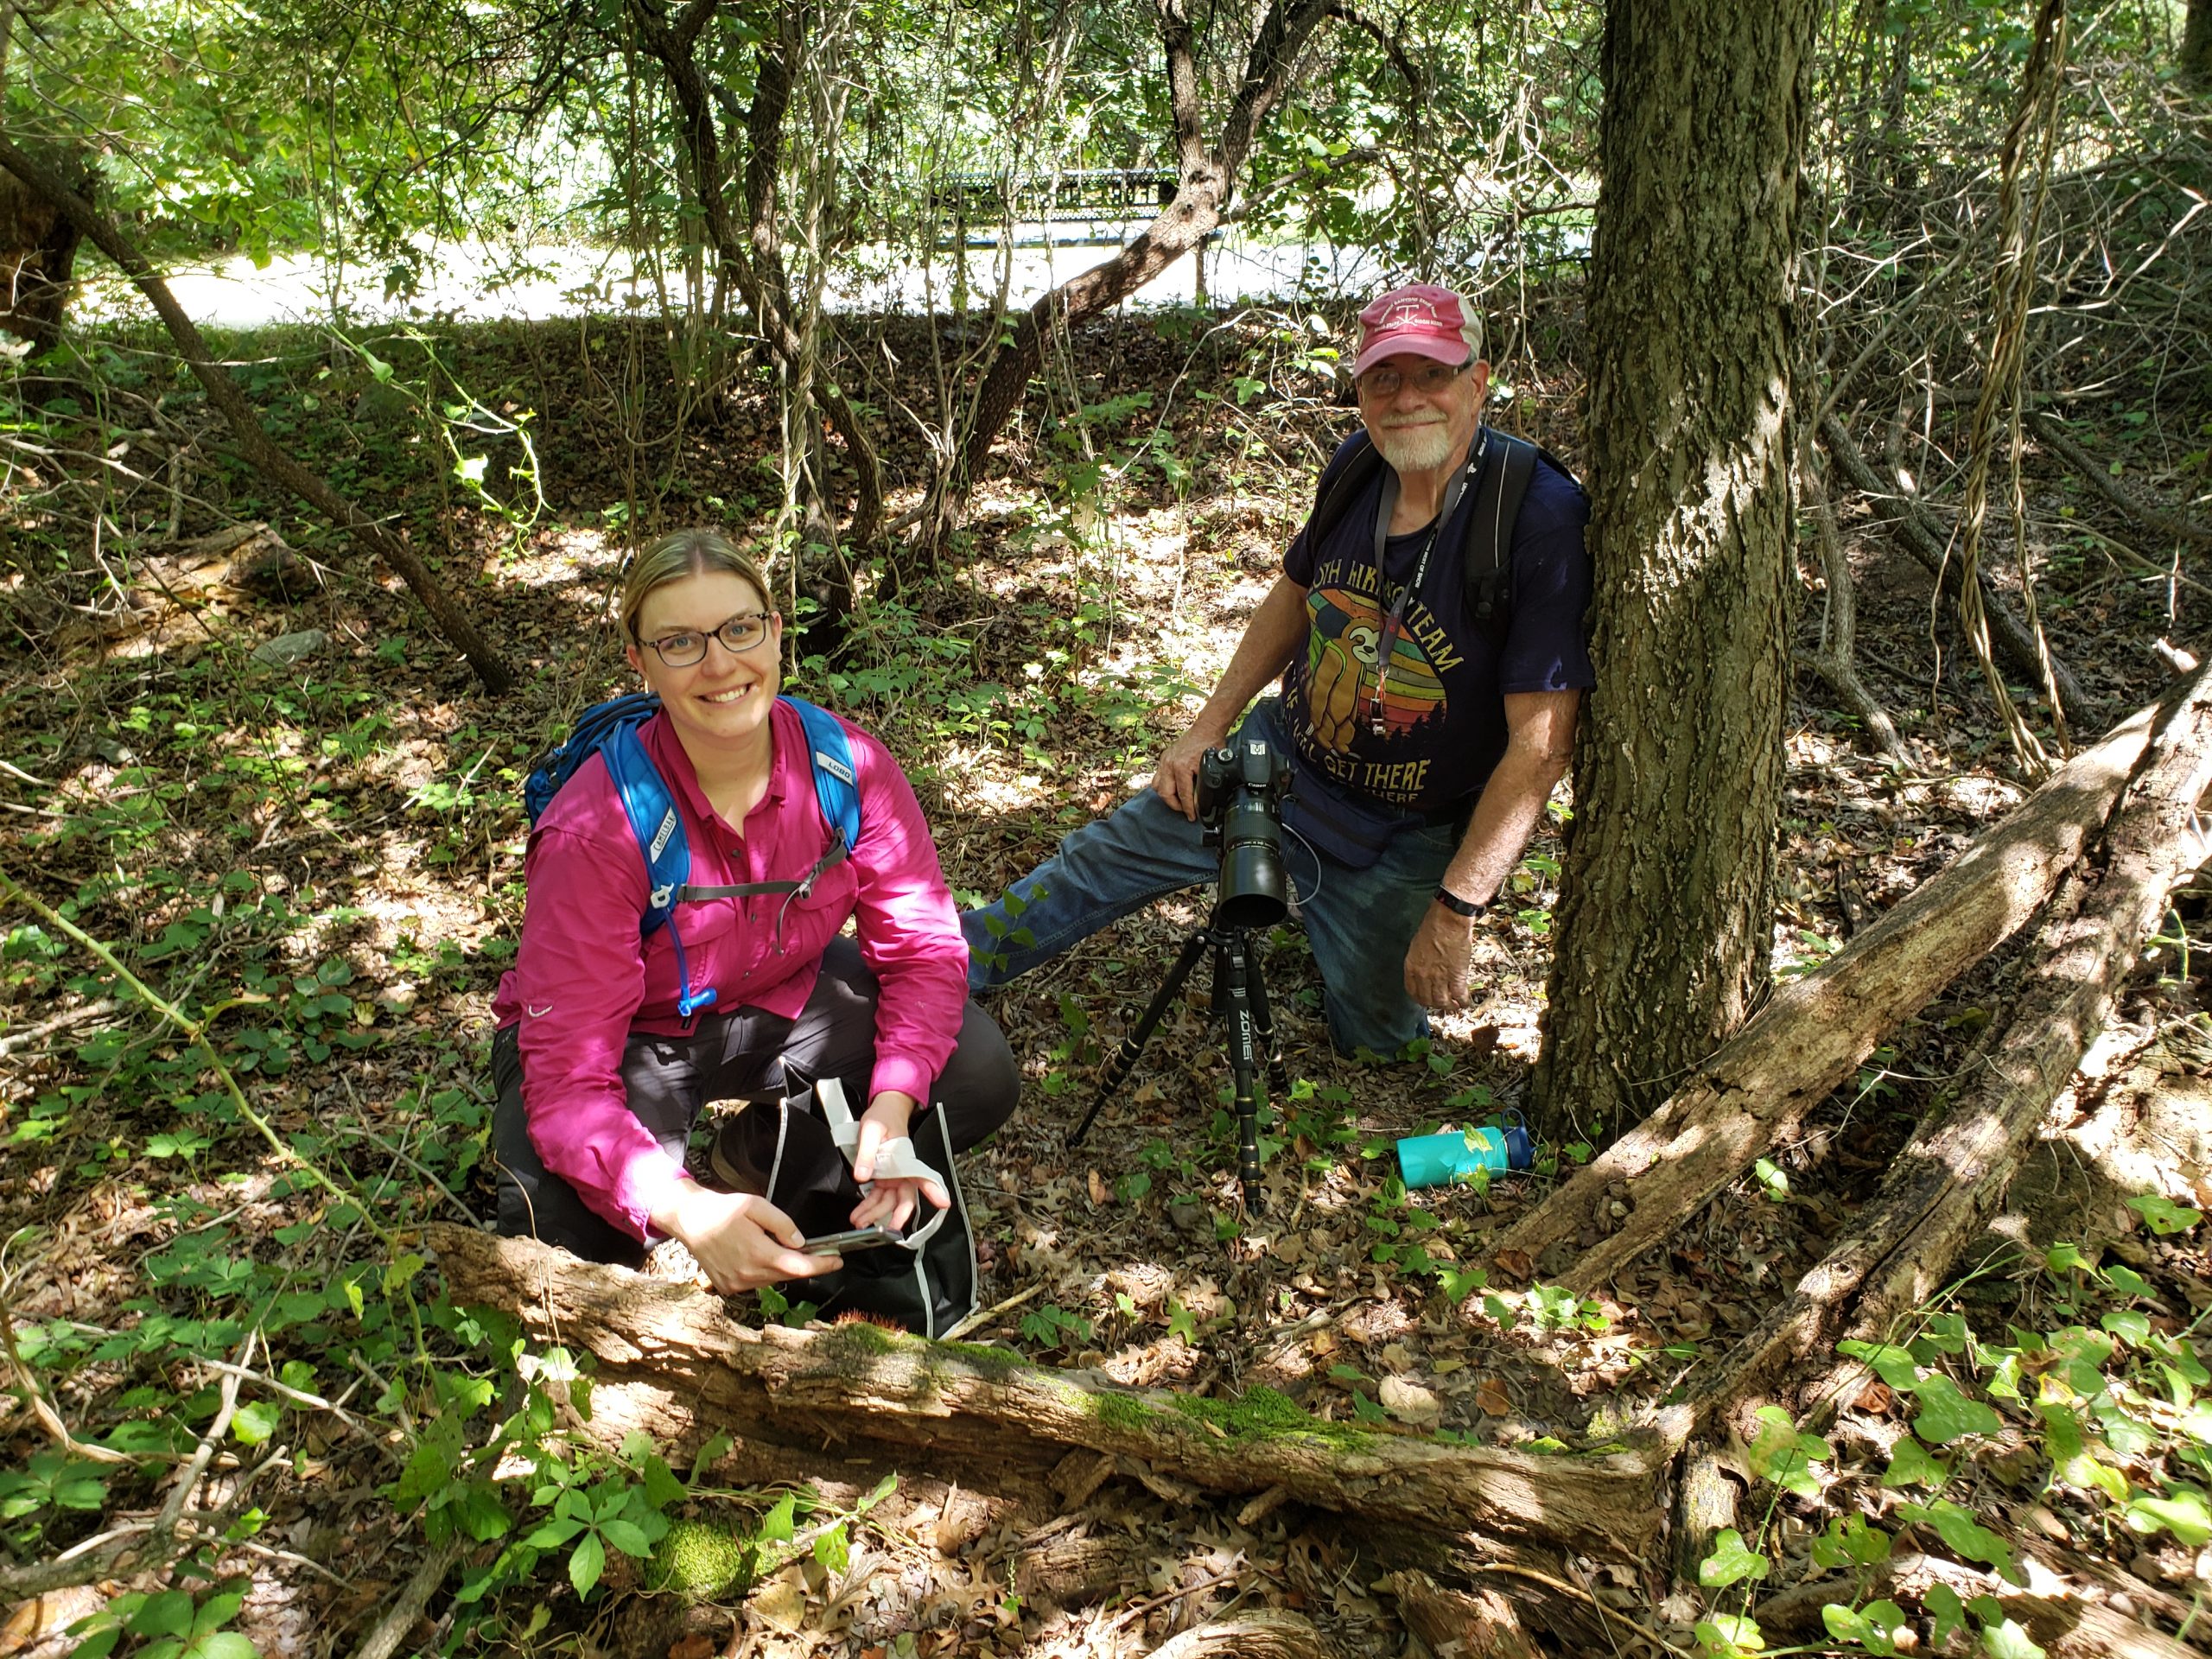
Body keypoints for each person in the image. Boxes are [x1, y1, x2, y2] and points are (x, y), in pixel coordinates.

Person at [963, 283, 1593, 1056]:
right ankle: (942, 967)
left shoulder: (1534, 515)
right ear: (1359, 389)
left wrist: (1456, 906)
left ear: (1478, 380)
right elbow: (1295, 596)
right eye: (1383, 378)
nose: (1407, 399)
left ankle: (1329, 921)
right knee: (1100, 859)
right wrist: (1204, 730)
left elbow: (1541, 745)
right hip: (1280, 765)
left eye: (1431, 373)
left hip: (1403, 832)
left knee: (1377, 1045)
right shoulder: (1361, 465)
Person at [491, 529, 1018, 1293]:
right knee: (558, 1216)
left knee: (972, 1070)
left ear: (775, 631)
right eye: (680, 642)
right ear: (639, 662)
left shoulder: (847, 768)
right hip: (634, 1035)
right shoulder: (597, 826)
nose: (720, 664)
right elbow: (571, 1077)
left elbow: (925, 950)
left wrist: (894, 1105)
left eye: (740, 628)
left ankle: (764, 1160)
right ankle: (686, 1204)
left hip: (780, 996)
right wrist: (684, 1209)